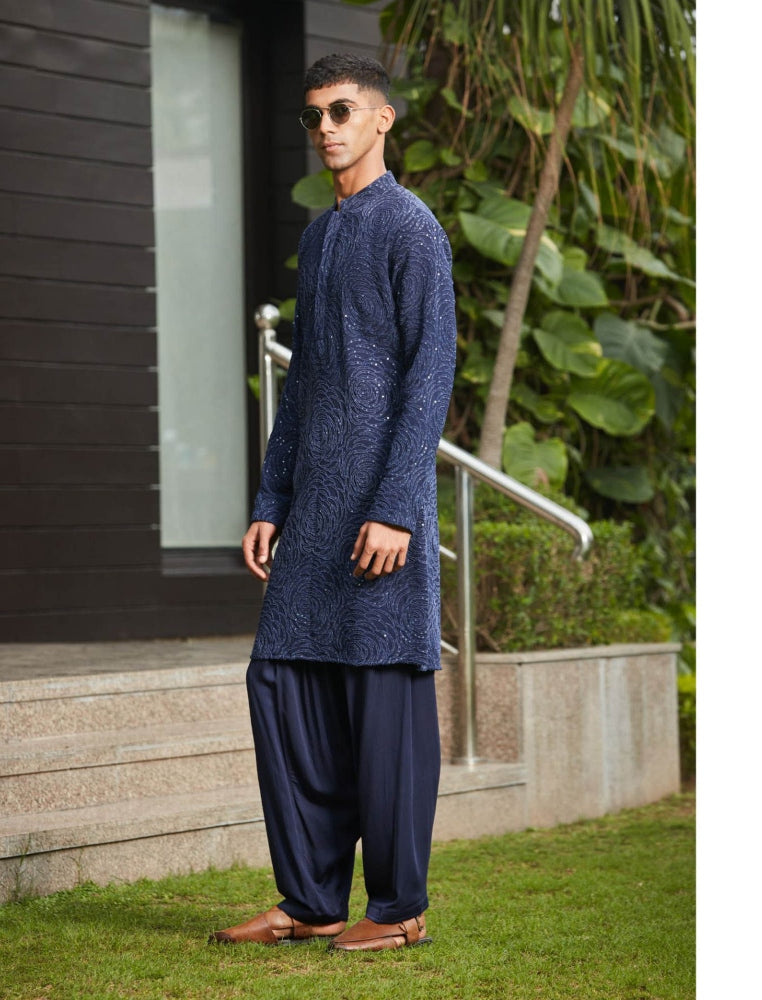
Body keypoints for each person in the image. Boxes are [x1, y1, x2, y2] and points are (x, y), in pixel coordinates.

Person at [210, 52, 457, 953]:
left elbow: (431, 372)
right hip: (313, 513)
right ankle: (311, 899)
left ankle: (397, 910)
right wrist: (271, 495)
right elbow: (305, 382)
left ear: (382, 118)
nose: (325, 127)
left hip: (380, 516)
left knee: (383, 703)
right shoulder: (320, 237)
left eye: (342, 110)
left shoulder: (412, 229)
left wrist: (396, 506)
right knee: (283, 685)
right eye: (313, 114)